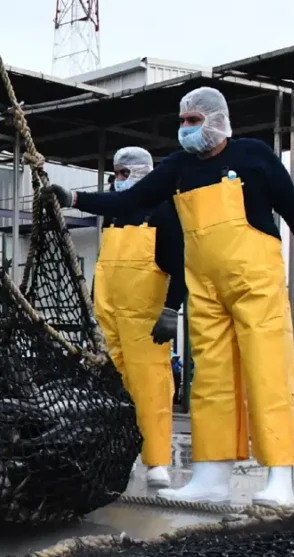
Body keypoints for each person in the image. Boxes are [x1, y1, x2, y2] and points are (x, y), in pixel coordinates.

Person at [43, 87, 294, 508]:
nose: (185, 129)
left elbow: (292, 205)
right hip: (206, 290)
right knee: (211, 380)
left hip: (255, 281)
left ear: (217, 120)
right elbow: (132, 198)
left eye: (193, 121)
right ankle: (211, 474)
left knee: (267, 372)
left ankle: (279, 478)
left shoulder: (253, 155)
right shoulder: (179, 167)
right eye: (182, 121)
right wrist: (76, 198)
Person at [92, 146, 184, 489]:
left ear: (141, 173)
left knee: (151, 389)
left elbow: (180, 266)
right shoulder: (114, 215)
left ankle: (156, 460)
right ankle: (120, 453)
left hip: (146, 322)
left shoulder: (163, 212)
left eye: (121, 174)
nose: (116, 182)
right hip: (109, 318)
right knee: (112, 390)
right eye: (114, 174)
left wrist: (172, 309)